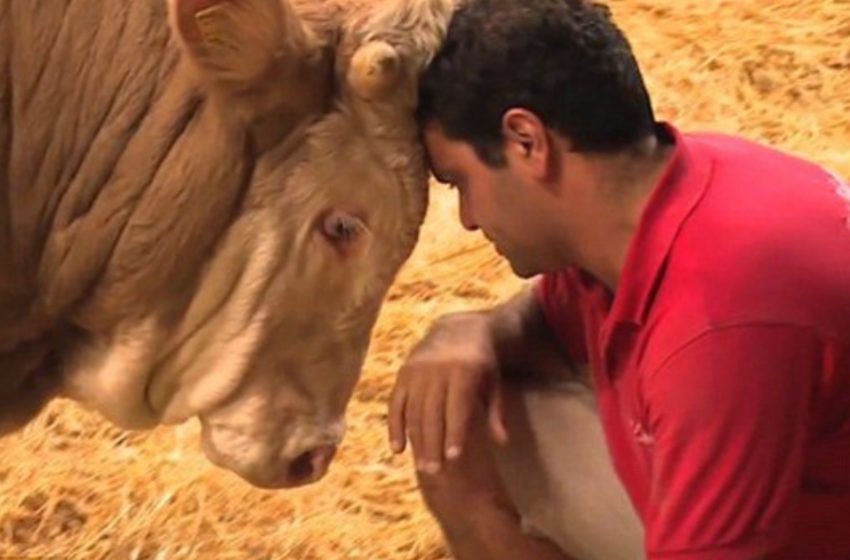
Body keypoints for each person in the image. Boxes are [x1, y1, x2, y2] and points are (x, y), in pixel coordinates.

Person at [386, 0, 850, 558]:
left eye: (461, 181)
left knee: (463, 438)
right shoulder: (664, 194)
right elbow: (548, 322)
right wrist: (470, 329)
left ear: (526, 142)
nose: (468, 218)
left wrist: (477, 522)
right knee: (467, 410)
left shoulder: (716, 325)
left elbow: (715, 342)